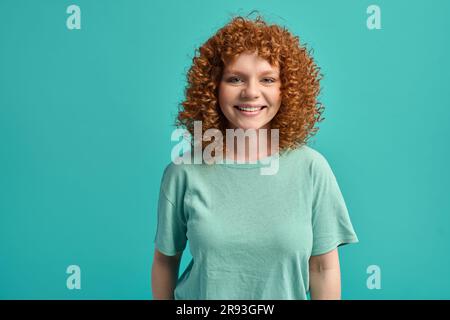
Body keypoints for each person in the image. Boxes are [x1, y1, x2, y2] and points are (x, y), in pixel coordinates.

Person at [151, 14, 358, 300]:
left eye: (267, 79)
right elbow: (165, 261)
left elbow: (323, 268)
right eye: (235, 78)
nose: (251, 92)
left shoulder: (312, 170)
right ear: (213, 87)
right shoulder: (183, 173)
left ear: (286, 90)